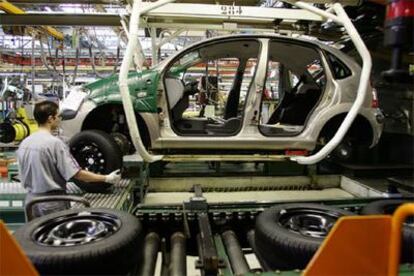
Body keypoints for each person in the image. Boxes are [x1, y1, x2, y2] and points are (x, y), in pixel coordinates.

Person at [17, 100, 121, 218]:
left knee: (35, 235)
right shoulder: (54, 144)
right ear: (50, 119)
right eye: (58, 116)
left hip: (31, 202)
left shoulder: (24, 143)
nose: (60, 119)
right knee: (56, 235)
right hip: (52, 202)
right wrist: (107, 178)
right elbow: (77, 174)